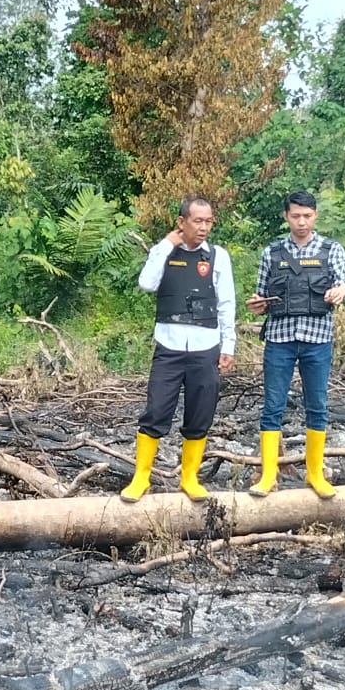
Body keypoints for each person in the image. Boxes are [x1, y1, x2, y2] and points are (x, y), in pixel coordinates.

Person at [121, 196, 236, 502]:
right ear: (181, 222)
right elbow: (147, 283)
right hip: (169, 346)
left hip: (206, 346)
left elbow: (226, 303)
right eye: (197, 221)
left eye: (209, 221)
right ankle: (141, 477)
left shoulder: (218, 256)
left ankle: (189, 477)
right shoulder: (164, 252)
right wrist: (164, 245)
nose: (204, 227)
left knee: (200, 414)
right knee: (156, 411)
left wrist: (229, 345)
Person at [245, 190, 345, 499]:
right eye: (295, 216)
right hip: (279, 339)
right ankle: (268, 475)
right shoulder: (272, 252)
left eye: (307, 216)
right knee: (272, 407)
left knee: (316, 406)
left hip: (318, 339)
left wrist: (340, 291)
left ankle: (315, 474)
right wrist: (257, 304)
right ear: (286, 217)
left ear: (315, 215)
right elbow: (261, 294)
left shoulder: (331, 249)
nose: (301, 222)